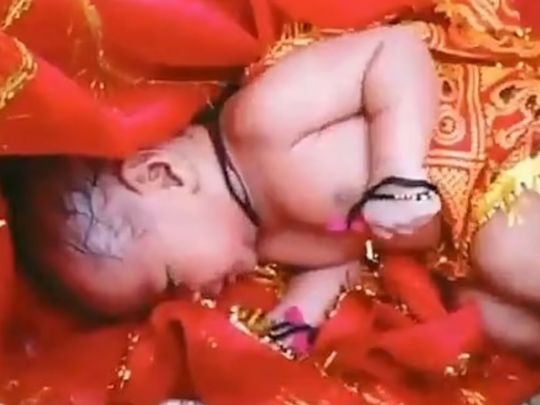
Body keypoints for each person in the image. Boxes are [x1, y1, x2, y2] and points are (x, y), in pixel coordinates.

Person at [9, 22, 540, 356]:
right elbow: (343, 256)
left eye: (171, 281)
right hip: (455, 247)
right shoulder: (270, 241)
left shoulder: (260, 124)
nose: (194, 298)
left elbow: (395, 53)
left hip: (491, 147)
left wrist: (396, 169)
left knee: (505, 252)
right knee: (486, 314)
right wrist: (295, 323)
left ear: (160, 174)